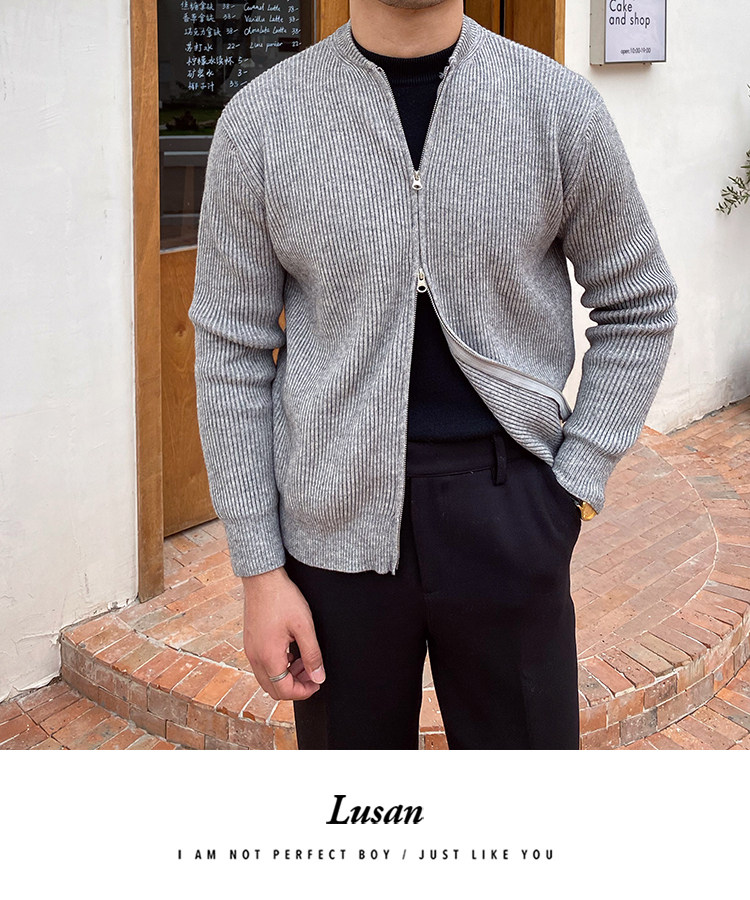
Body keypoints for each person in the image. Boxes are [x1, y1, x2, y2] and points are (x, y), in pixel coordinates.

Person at [188, 0, 678, 749]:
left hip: (511, 509)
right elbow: (231, 350)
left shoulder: (556, 107)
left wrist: (575, 482)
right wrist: (259, 568)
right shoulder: (262, 122)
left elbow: (640, 301)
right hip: (331, 523)